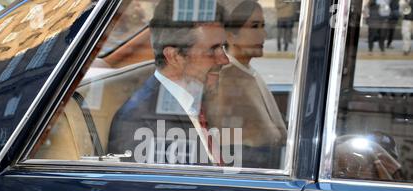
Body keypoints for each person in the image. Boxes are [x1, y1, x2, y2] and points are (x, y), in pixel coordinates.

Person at [108, 0, 230, 166]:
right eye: (212, 50)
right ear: (174, 56)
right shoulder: (141, 123)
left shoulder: (198, 101)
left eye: (224, 47)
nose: (225, 59)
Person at [207, 0, 287, 169]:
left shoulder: (246, 71)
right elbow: (225, 143)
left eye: (263, 26)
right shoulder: (227, 80)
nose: (264, 34)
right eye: (254, 26)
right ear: (230, 36)